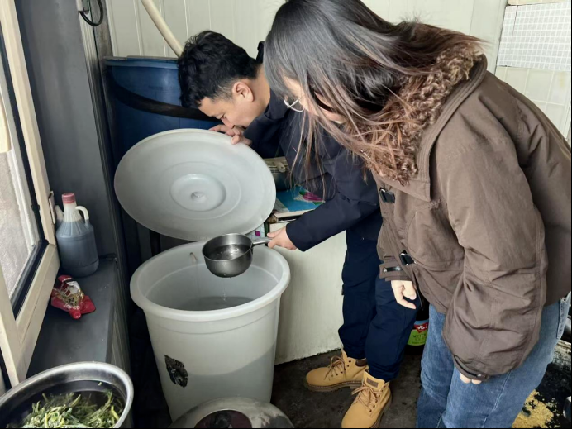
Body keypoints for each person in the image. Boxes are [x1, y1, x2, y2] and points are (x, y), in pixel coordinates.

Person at [263, 1, 572, 428]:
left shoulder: (458, 133)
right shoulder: (394, 106)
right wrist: (399, 264)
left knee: (467, 420)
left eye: (302, 100)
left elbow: (507, 261)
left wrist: (482, 353)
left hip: (510, 306)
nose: (310, 112)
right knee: (433, 393)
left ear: (334, 75)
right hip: (458, 283)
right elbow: (397, 200)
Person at [178, 31, 420, 426]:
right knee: (356, 285)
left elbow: (359, 196)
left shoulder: (315, 100)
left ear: (241, 90)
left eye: (222, 115)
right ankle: (355, 359)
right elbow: (276, 120)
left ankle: (378, 380)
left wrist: (298, 233)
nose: (225, 123)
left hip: (393, 209)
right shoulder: (276, 80)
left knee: (391, 296)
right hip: (362, 213)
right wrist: (246, 136)